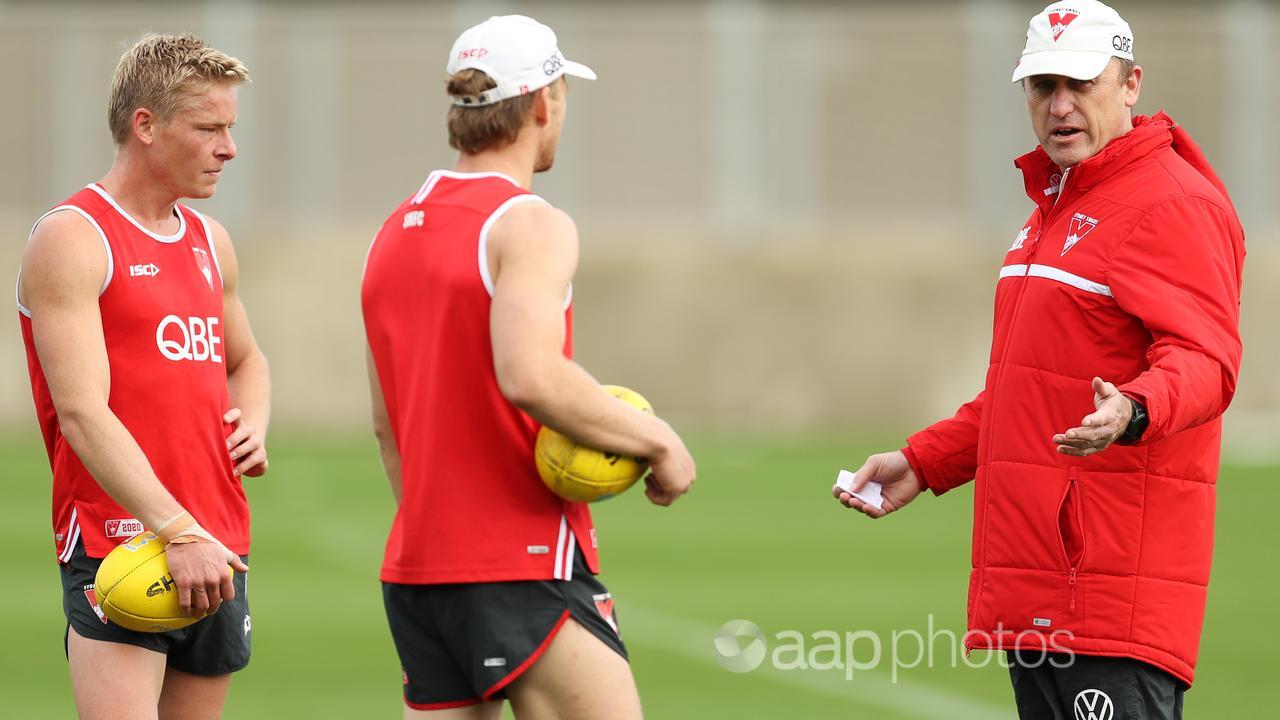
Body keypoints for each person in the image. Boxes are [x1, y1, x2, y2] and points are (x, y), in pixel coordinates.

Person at [833, 2, 1244, 718]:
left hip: (1110, 593)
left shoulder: (1170, 203)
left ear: (1131, 84)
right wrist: (926, 462)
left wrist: (1135, 406)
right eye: (1041, 86)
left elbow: (1207, 360)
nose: (1059, 106)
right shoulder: (1053, 209)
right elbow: (1030, 394)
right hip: (1046, 590)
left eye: (1080, 83)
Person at [361, 14, 696, 720]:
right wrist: (658, 438)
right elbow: (533, 376)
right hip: (520, 564)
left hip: (420, 571)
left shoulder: (392, 231)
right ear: (545, 103)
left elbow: (388, 430)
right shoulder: (530, 224)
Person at [17, 34, 270, 719]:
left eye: (231, 129)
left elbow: (247, 361)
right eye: (210, 128)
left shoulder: (211, 241)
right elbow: (82, 413)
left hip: (217, 545)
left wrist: (254, 418)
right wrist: (177, 531)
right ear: (146, 126)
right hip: (122, 542)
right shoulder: (73, 238)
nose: (229, 149)